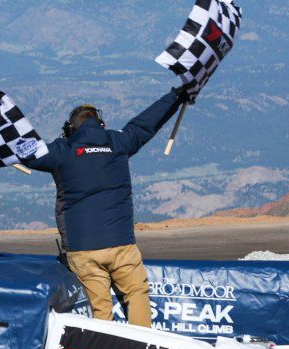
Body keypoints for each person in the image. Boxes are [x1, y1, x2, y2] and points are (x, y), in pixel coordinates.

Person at [21, 86, 192, 327]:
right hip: (121, 243)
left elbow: (25, 151)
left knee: (100, 309)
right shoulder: (118, 142)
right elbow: (147, 122)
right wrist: (176, 96)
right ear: (101, 124)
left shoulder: (62, 151)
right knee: (137, 294)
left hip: (83, 249)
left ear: (71, 129)